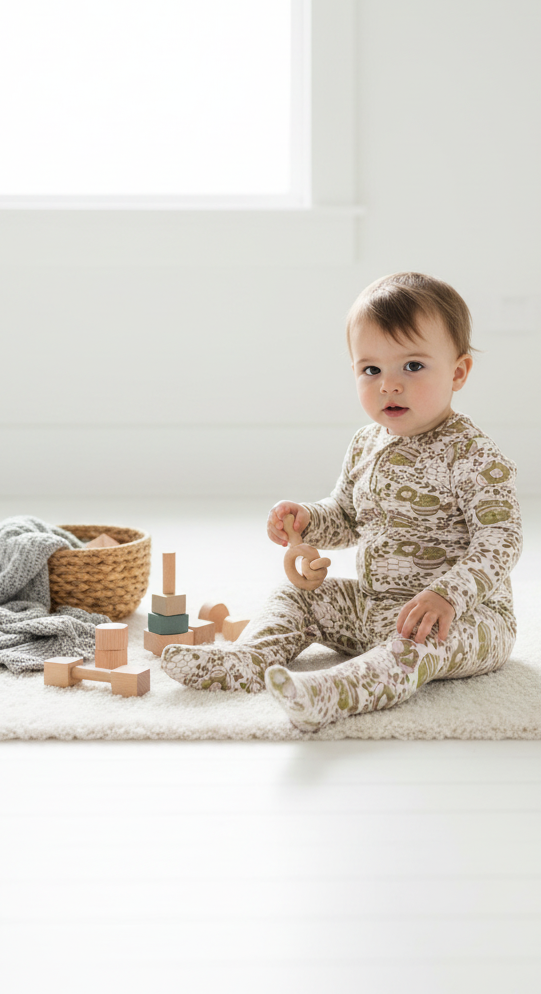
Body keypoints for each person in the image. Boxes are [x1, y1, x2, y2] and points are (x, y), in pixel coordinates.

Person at [161, 271, 522, 731]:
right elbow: (348, 516)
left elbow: (502, 540)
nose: (389, 384)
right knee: (298, 595)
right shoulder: (366, 443)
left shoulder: (474, 455)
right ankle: (249, 659)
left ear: (458, 372)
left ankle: (337, 691)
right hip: (373, 606)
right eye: (371, 369)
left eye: (412, 366)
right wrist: (308, 519)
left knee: (419, 648)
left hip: (463, 618)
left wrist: (448, 595)